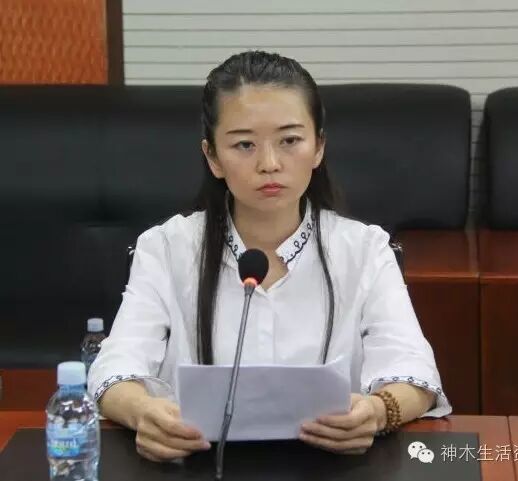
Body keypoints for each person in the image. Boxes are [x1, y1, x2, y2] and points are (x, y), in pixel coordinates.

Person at [88, 50, 451, 462]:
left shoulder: (365, 250)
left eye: (290, 140)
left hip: (333, 465)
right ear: (212, 157)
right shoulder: (167, 248)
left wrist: (377, 411)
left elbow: (416, 374)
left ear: (318, 148)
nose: (269, 163)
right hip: (196, 462)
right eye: (244, 144)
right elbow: (113, 369)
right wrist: (143, 413)